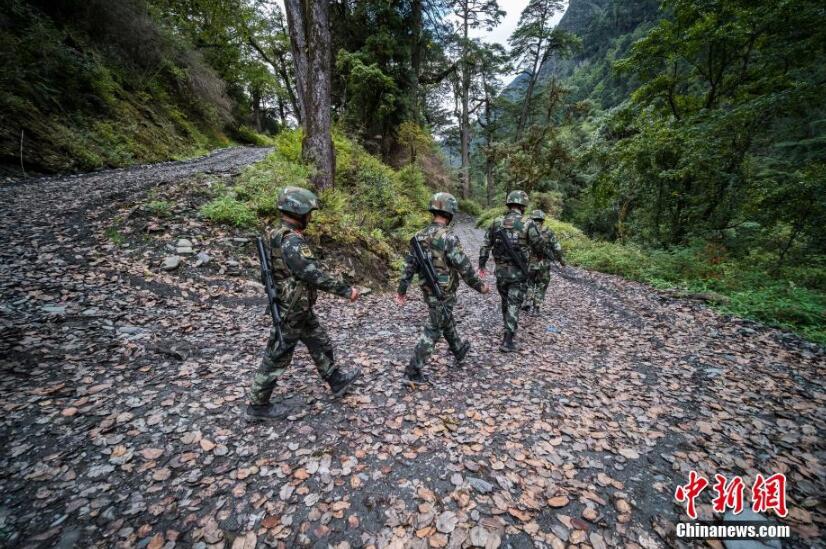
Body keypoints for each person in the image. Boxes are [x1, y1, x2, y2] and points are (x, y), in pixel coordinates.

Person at [247, 186, 362, 420]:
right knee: (278, 353)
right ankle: (258, 405)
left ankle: (336, 379)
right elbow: (313, 274)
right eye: (308, 212)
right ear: (298, 211)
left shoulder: (273, 234)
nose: (310, 217)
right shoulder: (292, 242)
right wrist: (346, 290)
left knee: (319, 341)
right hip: (292, 307)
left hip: (296, 305)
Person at [396, 192, 490, 384]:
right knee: (433, 329)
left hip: (428, 289)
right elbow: (464, 268)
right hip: (443, 291)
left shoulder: (419, 236)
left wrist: (402, 289)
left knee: (444, 318)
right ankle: (412, 371)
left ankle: (458, 348)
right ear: (450, 212)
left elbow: (409, 266)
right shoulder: (449, 238)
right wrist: (480, 287)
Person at [478, 190, 545, 352]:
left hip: (500, 271)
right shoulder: (528, 223)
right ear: (523, 206)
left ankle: (507, 327)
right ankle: (508, 339)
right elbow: (539, 245)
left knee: (506, 300)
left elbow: (486, 244)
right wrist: (539, 257)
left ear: (509, 204)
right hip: (519, 271)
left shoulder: (496, 222)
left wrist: (482, 264)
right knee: (514, 302)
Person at [525, 209, 565, 315]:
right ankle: (536, 308)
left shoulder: (527, 230)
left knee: (529, 282)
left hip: (530, 263)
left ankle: (527, 303)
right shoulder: (549, 232)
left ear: (532, 220)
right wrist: (561, 260)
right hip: (544, 264)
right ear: (543, 220)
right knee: (541, 284)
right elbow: (557, 248)